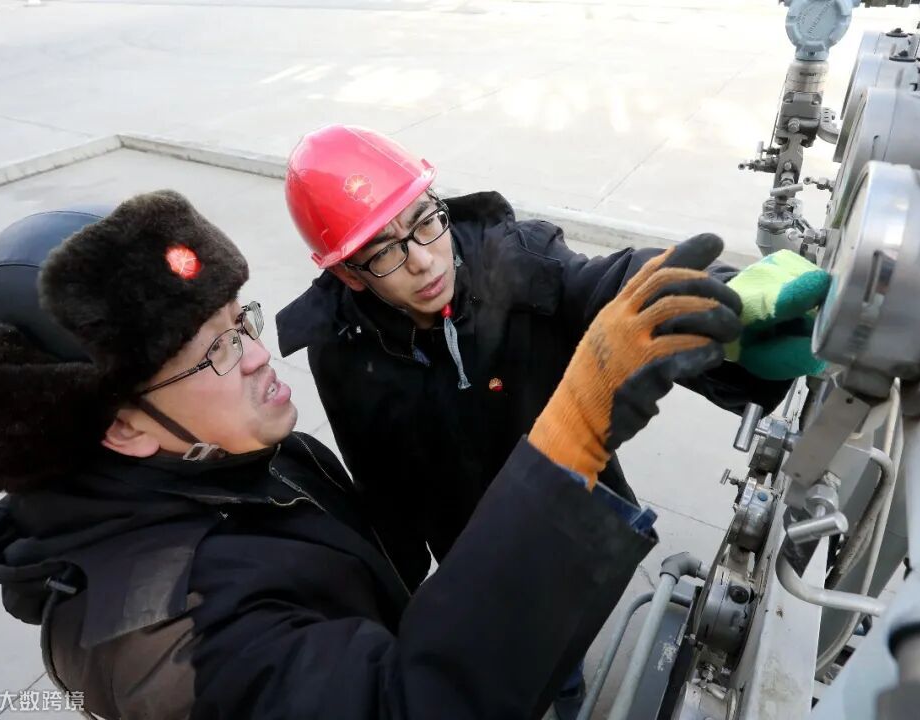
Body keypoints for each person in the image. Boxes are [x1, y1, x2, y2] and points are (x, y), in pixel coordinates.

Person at [0, 189, 743, 719]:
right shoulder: (166, 645)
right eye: (215, 351)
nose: (258, 356)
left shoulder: (234, 460)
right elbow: (407, 705)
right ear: (122, 429)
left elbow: (564, 277)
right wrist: (573, 435)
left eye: (241, 321)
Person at [275, 125, 825, 597]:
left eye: (423, 221)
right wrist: (400, 596)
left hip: (572, 521)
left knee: (565, 647)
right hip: (472, 552)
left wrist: (724, 304)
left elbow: (607, 286)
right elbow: (382, 487)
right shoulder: (341, 351)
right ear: (347, 274)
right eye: (383, 252)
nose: (422, 260)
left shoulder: (514, 262)